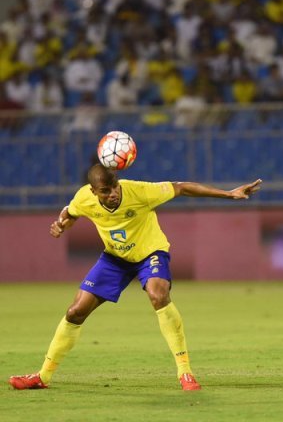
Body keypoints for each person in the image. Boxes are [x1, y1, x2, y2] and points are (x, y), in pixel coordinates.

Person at [9, 164, 262, 391]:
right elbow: (70, 211)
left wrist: (229, 193)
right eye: (106, 191)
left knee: (157, 294)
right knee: (75, 311)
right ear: (94, 192)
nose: (113, 193)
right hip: (114, 258)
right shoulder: (84, 197)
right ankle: (42, 377)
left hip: (149, 252)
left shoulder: (138, 191)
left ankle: (185, 372)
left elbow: (182, 187)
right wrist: (62, 223)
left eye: (115, 187)